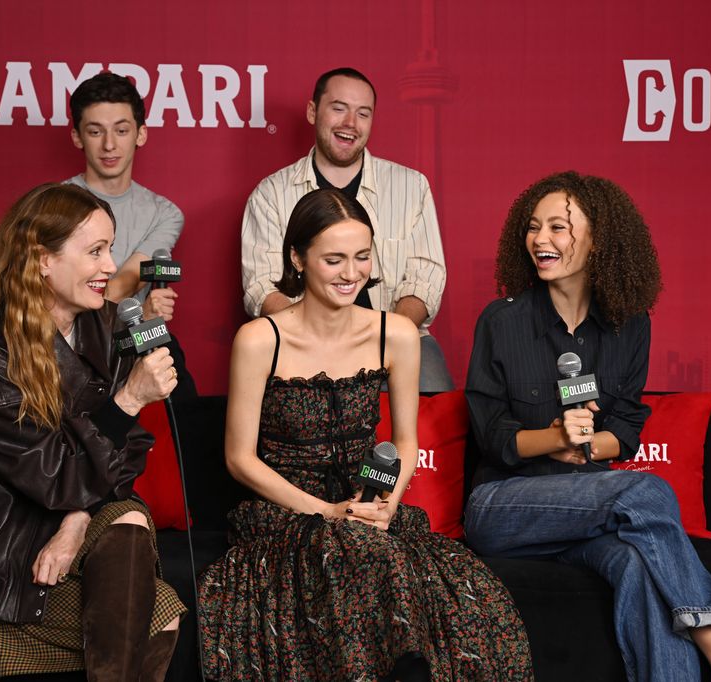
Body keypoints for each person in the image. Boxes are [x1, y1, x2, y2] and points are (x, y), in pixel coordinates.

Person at [199, 188, 533, 680]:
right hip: (286, 514)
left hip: (367, 506)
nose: (352, 273)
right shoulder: (259, 338)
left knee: (461, 601)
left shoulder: (394, 333)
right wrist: (330, 513)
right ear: (297, 257)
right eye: (334, 259)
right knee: (355, 559)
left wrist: (386, 505)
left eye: (361, 256)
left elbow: (405, 442)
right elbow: (240, 460)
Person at [464, 171, 711, 682]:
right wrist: (560, 437)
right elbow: (494, 436)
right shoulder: (502, 321)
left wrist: (586, 449)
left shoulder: (630, 324)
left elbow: (627, 425)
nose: (541, 239)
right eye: (533, 227)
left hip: (587, 502)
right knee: (645, 490)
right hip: (506, 503)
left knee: (637, 563)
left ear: (599, 238)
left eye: (558, 227)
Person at [0, 183, 186, 680]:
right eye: (95, 251)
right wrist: (130, 399)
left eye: (110, 248)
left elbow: (131, 451)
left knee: (131, 529)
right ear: (42, 260)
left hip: (77, 509)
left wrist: (76, 522)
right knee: (159, 612)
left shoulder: (109, 325)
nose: (112, 267)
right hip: (11, 537)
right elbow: (57, 475)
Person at [241, 67, 454, 391]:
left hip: (397, 338)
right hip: (302, 346)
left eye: (363, 113)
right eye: (339, 108)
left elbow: (426, 278)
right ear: (313, 112)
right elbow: (263, 286)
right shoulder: (271, 194)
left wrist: (387, 339)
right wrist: (316, 343)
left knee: (432, 430)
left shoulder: (411, 186)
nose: (350, 124)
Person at [66, 71, 183, 322]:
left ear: (140, 134)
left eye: (121, 130)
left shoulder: (164, 214)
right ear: (77, 137)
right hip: (60, 344)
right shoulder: (54, 204)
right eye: (96, 132)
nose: (109, 145)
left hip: (130, 343)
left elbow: (125, 285)